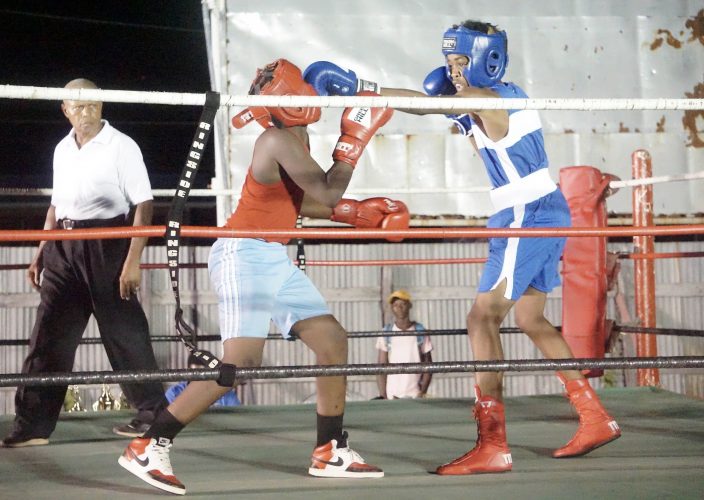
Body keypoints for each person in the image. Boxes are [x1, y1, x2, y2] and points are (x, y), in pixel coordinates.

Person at [303, 19, 621, 475]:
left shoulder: (487, 99)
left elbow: (428, 107)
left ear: (486, 61)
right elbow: (443, 107)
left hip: (525, 216)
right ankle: (594, 416)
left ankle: (493, 442)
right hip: (544, 209)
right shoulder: (494, 99)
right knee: (531, 318)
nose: (453, 71)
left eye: (461, 61)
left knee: (482, 317)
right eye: (450, 61)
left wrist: (358, 87)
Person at [117, 59, 407, 495]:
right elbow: (328, 189)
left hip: (271, 252)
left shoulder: (295, 135)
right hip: (244, 254)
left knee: (332, 341)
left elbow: (298, 203)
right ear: (292, 102)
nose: (313, 100)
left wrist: (353, 214)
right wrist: (354, 140)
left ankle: (328, 449)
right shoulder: (273, 140)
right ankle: (149, 443)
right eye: (304, 95)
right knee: (239, 362)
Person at [2, 78, 168, 448]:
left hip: (107, 242)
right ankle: (32, 427)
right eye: (77, 106)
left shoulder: (122, 146)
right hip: (64, 244)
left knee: (124, 332)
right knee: (48, 336)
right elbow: (56, 206)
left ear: (102, 106)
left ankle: (152, 415)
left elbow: (144, 204)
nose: (86, 112)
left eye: (92, 104)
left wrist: (133, 260)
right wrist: (41, 251)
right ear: (65, 110)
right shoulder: (62, 149)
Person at [376, 289, 433, 399]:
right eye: (396, 305)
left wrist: (422, 392)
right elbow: (380, 367)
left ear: (409, 305)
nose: (399, 308)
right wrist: (383, 395)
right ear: (392, 308)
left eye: (403, 304)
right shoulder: (386, 333)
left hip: (415, 395)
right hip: (392, 395)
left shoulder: (420, 332)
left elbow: (429, 366)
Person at [165, 353, 241, 407]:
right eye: (194, 371)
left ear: (212, 372)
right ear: (188, 371)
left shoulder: (225, 394)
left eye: (203, 372)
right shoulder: (174, 393)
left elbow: (238, 417)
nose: (198, 377)